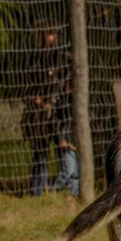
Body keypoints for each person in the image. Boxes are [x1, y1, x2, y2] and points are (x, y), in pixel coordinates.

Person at [20, 22, 77, 197]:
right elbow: (25, 88)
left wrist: (61, 96)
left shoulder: (66, 59)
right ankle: (37, 193)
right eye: (45, 34)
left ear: (57, 36)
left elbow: (73, 86)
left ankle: (70, 194)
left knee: (67, 156)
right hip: (40, 115)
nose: (48, 37)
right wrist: (37, 101)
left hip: (62, 115)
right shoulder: (32, 61)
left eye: (52, 33)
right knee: (40, 156)